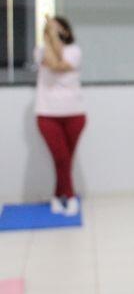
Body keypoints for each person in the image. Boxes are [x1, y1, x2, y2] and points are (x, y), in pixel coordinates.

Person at [35, 15, 86, 216]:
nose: (53, 31)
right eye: (50, 28)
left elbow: (61, 65)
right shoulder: (40, 51)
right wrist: (49, 37)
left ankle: (57, 196)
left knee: (65, 160)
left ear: (66, 31)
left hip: (74, 114)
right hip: (47, 114)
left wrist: (54, 35)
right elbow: (51, 62)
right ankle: (70, 197)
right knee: (61, 157)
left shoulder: (75, 51)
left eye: (57, 29)